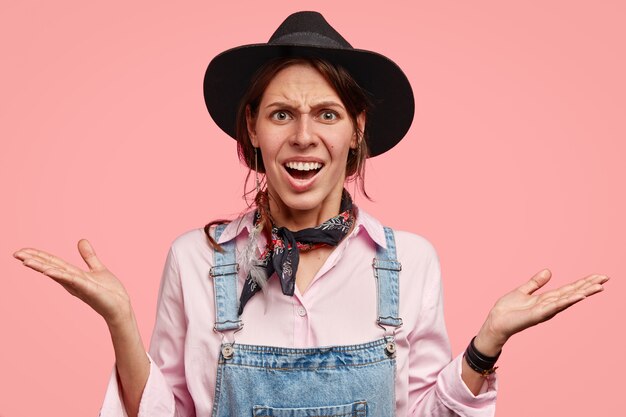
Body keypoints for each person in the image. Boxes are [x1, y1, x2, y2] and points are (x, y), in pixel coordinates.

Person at [13, 11, 608, 417]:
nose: (303, 136)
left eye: (326, 114)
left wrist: (486, 345)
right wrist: (120, 321)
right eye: (280, 115)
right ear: (253, 129)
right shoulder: (197, 259)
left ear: (356, 131)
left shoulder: (409, 264)